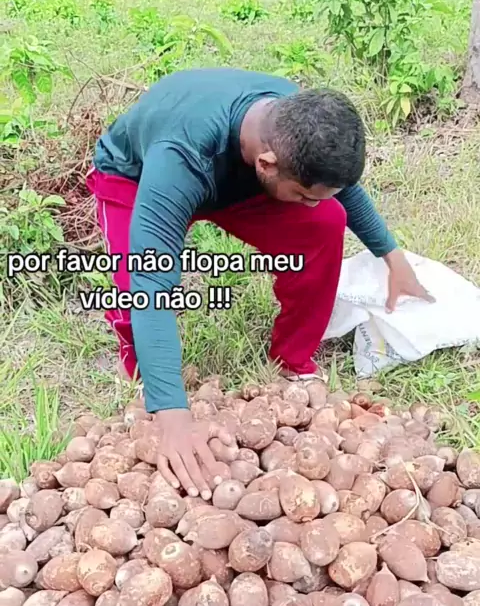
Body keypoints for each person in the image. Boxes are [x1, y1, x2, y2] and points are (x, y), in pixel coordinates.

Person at [87, 66, 433, 500]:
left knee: (325, 221)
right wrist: (174, 416)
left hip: (233, 179)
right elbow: (151, 284)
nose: (309, 202)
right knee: (133, 294)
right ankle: (146, 380)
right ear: (267, 164)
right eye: (304, 194)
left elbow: (340, 191)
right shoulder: (181, 156)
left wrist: (393, 259)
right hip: (138, 177)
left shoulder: (294, 121)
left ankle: (292, 360)